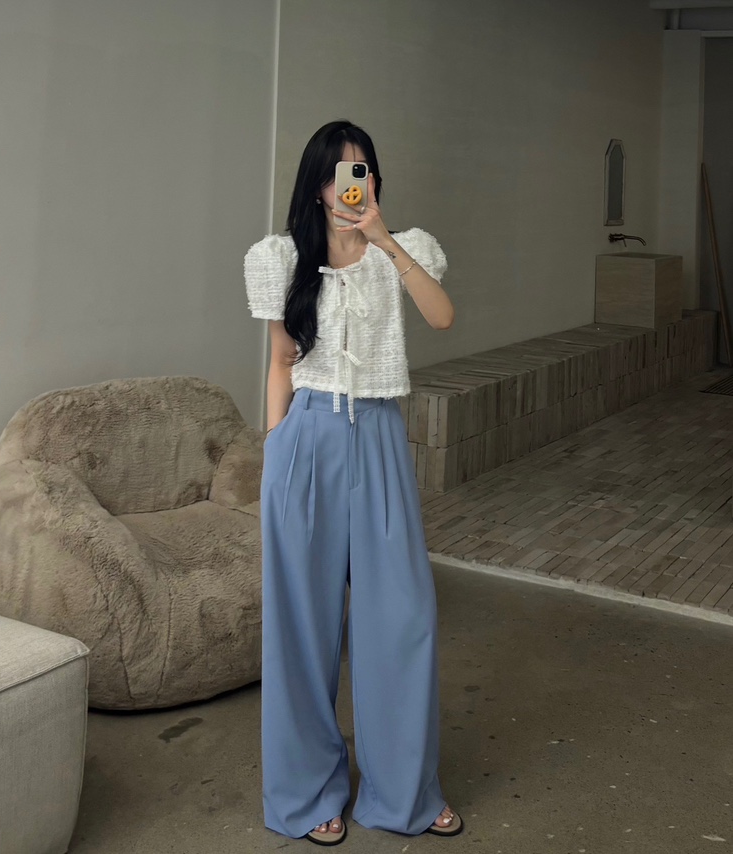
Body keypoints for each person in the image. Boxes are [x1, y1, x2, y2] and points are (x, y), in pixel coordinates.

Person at [244, 120, 461, 846]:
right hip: (304, 440)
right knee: (300, 625)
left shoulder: (404, 249)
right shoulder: (281, 258)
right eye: (338, 172)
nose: (350, 184)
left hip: (379, 438)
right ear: (316, 185)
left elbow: (442, 316)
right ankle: (309, 794)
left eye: (361, 169)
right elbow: (280, 362)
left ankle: (405, 792)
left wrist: (384, 240)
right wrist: (275, 450)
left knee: (402, 617)